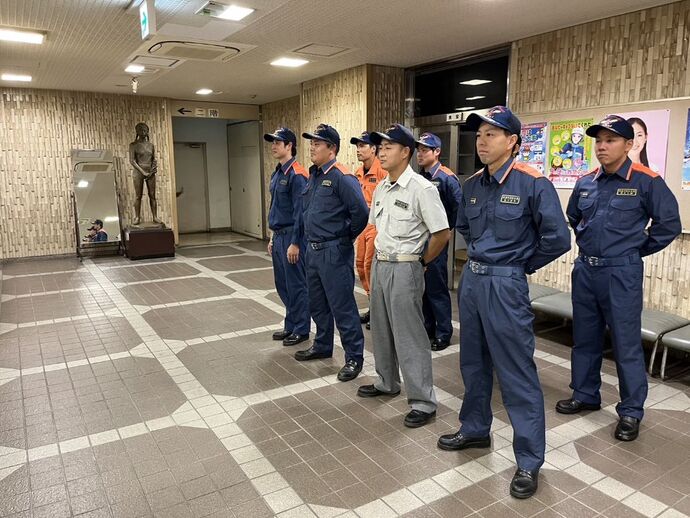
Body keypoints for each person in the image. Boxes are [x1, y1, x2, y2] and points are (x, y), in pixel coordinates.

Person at [437, 106, 570, 499]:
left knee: (515, 372)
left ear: (512, 142)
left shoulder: (533, 183)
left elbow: (558, 238)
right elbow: (464, 227)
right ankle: (475, 429)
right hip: (473, 282)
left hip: (506, 283)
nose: (482, 141)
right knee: (473, 363)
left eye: (492, 134)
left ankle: (529, 458)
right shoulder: (472, 184)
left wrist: (519, 265)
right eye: (479, 135)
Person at [556, 115, 681, 442]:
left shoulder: (647, 181)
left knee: (625, 343)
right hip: (585, 270)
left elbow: (668, 225)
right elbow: (574, 217)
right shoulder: (586, 182)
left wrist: (633, 251)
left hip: (621, 272)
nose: (602, 147)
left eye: (610, 140)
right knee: (584, 337)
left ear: (629, 145)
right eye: (598, 141)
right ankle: (585, 394)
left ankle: (630, 411)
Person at [357, 124, 450, 429]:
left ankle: (423, 400)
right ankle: (387, 382)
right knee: (381, 329)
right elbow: (376, 227)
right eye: (379, 147)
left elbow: (441, 233)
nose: (381, 152)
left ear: (406, 152)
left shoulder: (422, 189)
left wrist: (421, 261)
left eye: (388, 147)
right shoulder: (383, 187)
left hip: (406, 266)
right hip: (382, 265)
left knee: (409, 335)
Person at [296, 124, 369, 382]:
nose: (312, 148)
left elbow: (361, 212)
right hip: (313, 251)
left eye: (318, 143)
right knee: (317, 303)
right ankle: (323, 345)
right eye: (311, 143)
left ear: (332, 149)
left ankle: (353, 358)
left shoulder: (342, 177)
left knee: (342, 306)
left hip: (334, 251)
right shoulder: (313, 176)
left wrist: (344, 237)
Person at [263, 127, 311, 347]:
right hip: (280, 236)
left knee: (296, 284)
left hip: (293, 238)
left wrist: (295, 242)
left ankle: (301, 328)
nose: (273, 146)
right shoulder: (278, 172)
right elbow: (276, 207)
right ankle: (290, 324)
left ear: (289, 145)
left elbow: (300, 212)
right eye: (272, 142)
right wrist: (273, 237)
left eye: (277, 142)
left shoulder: (297, 174)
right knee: (282, 284)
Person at [415, 132, 462, 351]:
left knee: (436, 287)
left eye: (425, 150)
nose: (420, 154)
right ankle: (428, 327)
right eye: (419, 150)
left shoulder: (446, 178)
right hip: (419, 241)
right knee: (423, 288)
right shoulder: (419, 177)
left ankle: (443, 332)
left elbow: (458, 210)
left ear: (437, 152)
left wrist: (446, 231)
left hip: (437, 240)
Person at [350, 131, 387, 329]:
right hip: (362, 225)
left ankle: (379, 312)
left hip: (377, 225)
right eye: (357, 146)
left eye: (363, 146)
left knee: (370, 266)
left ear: (374, 149)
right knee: (361, 266)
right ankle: (373, 307)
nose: (359, 149)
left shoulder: (382, 171)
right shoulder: (357, 172)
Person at [129, 122, 161, 225]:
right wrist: (143, 172)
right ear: (137, 132)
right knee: (138, 196)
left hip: (150, 172)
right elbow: (132, 161)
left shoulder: (151, 145)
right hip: (138, 171)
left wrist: (153, 169)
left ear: (147, 132)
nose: (143, 132)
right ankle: (137, 217)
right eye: (140, 130)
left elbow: (153, 159)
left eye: (145, 130)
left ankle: (155, 217)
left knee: (152, 195)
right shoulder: (133, 145)